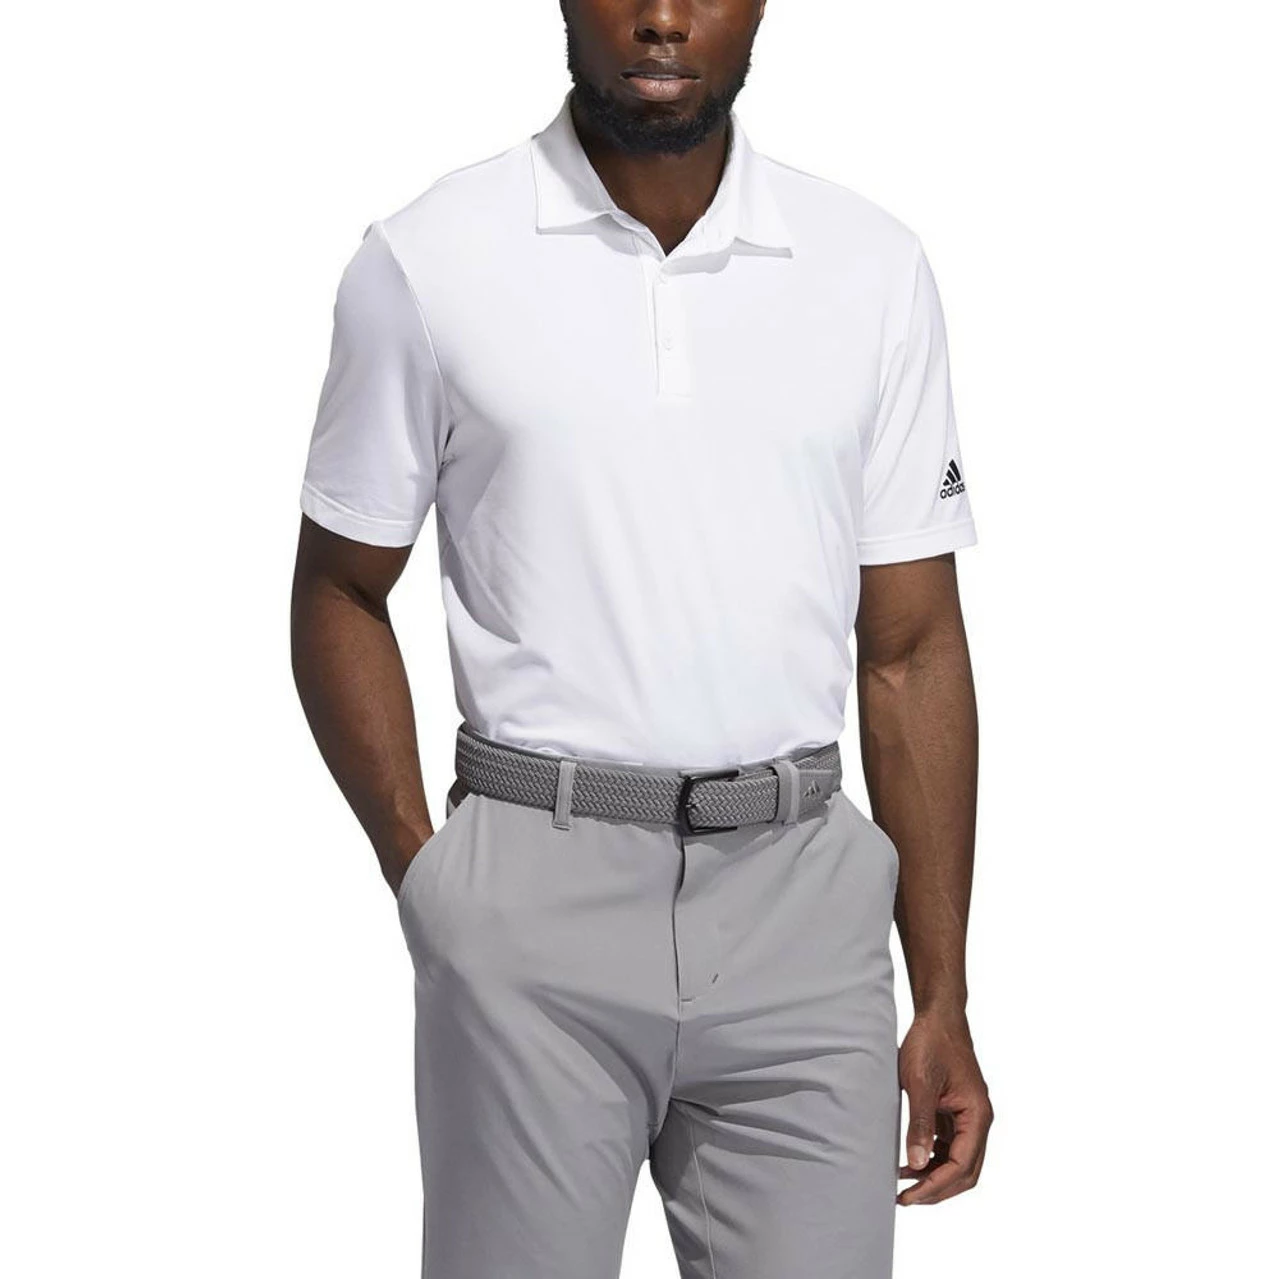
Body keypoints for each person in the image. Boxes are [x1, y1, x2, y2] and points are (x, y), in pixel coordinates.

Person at [290, 2, 992, 1274]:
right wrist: (429, 878)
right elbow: (340, 586)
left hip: (803, 915)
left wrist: (938, 991)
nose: (660, 18)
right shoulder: (428, 258)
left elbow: (910, 648)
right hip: (530, 905)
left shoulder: (868, 268)